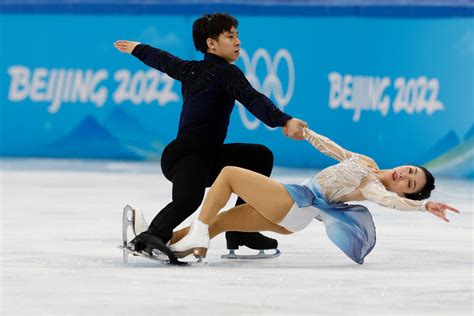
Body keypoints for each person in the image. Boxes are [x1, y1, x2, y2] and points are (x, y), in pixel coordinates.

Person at [113, 13, 307, 261]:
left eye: (237, 35)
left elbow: (164, 60)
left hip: (210, 155)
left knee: (259, 156)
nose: (237, 41)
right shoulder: (225, 73)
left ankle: (239, 229)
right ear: (211, 44)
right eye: (230, 36)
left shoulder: (193, 69)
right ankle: (151, 236)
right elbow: (253, 98)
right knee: (189, 200)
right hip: (186, 153)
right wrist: (283, 119)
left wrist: (140, 48)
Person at [168, 127, 460, 264]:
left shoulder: (373, 186)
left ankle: (197, 235)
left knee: (230, 174)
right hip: (294, 216)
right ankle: (168, 242)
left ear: (403, 192)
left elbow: (390, 202)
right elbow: (335, 150)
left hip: (297, 202)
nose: (404, 177)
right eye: (410, 171)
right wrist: (305, 133)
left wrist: (422, 205)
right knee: (219, 221)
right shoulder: (368, 162)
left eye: (409, 184)